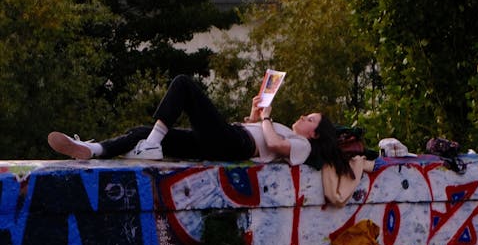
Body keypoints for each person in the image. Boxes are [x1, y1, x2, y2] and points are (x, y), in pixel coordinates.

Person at [47, 73, 360, 176]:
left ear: (315, 132)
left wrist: (265, 119)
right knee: (143, 133)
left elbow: (274, 146)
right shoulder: (285, 130)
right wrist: (255, 114)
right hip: (231, 140)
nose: (304, 117)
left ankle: (153, 143)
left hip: (234, 145)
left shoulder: (303, 145)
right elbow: (259, 133)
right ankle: (92, 149)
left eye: (310, 119)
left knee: (184, 84)